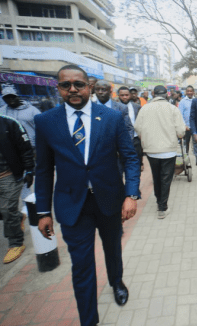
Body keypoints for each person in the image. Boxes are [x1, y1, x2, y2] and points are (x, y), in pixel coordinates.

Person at [35, 65, 141, 326]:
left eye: (79, 84)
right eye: (65, 85)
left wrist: (131, 194)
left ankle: (116, 281)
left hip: (109, 200)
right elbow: (44, 169)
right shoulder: (46, 121)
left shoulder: (111, 118)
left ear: (89, 87)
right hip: (72, 205)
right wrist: (42, 212)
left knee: (112, 249)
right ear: (58, 88)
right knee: (82, 266)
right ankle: (89, 321)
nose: (73, 89)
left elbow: (130, 157)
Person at [135, 86, 185, 218]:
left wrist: (145, 138)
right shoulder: (173, 109)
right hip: (169, 150)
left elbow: (137, 127)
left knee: (156, 176)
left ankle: (159, 200)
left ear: (153, 94)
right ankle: (162, 207)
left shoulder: (144, 108)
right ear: (166, 94)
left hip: (151, 150)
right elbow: (180, 131)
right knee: (166, 178)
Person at [0, 114, 34, 263]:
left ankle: (15, 243)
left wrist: (29, 170)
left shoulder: (9, 123)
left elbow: (25, 148)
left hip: (9, 175)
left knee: (7, 209)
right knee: (4, 212)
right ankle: (18, 218)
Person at [118, 87, 143, 171]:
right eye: (122, 95)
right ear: (118, 96)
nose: (125, 97)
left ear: (130, 95)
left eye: (126, 95)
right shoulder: (114, 107)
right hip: (120, 140)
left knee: (136, 164)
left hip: (135, 139)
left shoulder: (137, 107)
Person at [179, 85, 197, 166]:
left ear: (193, 92)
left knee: (196, 145)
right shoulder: (182, 102)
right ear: (186, 92)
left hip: (195, 127)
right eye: (188, 91)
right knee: (185, 145)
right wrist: (184, 125)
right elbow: (180, 115)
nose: (189, 93)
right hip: (186, 128)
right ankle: (186, 161)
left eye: (191, 91)